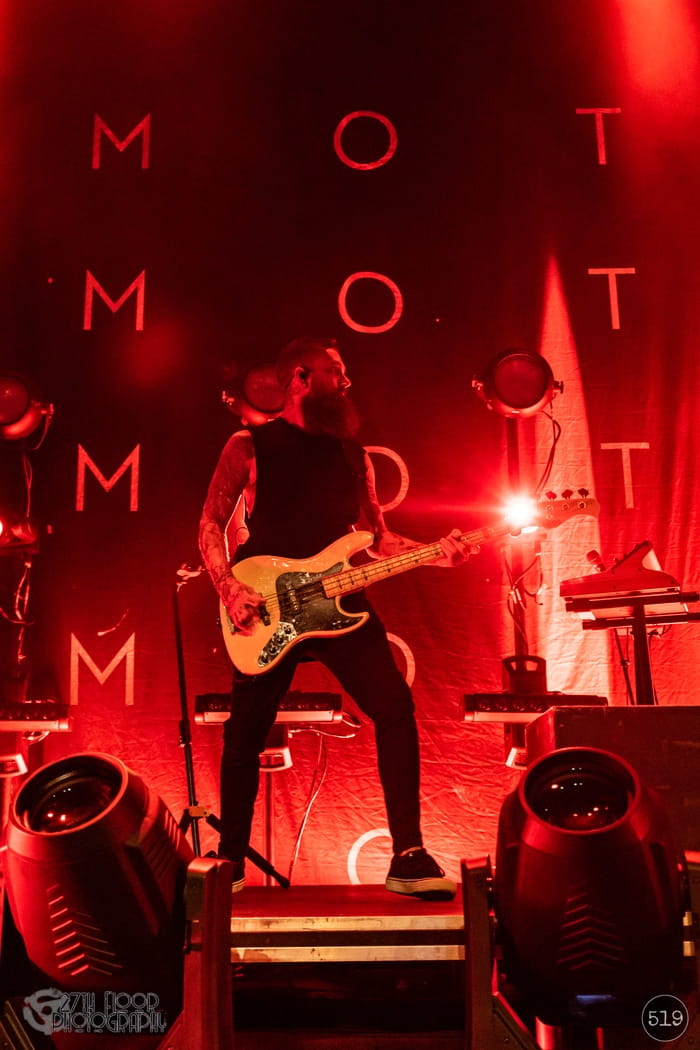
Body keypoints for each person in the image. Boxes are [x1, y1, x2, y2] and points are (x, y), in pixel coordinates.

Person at [199, 337, 469, 898]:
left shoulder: (353, 455)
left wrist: (437, 554)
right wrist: (229, 589)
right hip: (267, 603)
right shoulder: (248, 445)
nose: (346, 382)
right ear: (300, 377)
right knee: (245, 733)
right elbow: (209, 525)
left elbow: (378, 539)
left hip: (339, 601)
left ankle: (408, 856)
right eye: (335, 372)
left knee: (395, 708)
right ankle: (230, 862)